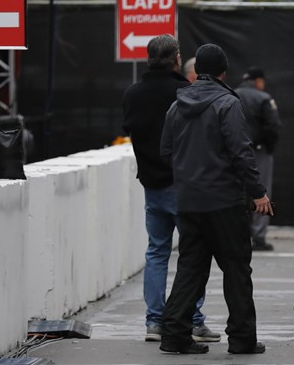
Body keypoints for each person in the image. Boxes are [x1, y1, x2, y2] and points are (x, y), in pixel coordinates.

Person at [159, 44, 274, 356]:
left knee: (190, 269)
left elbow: (166, 152)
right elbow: (241, 152)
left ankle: (173, 335)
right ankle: (242, 339)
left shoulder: (176, 106)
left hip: (188, 201)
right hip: (224, 201)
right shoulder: (227, 103)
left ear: (197, 73)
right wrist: (257, 192)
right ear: (224, 72)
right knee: (236, 269)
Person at [120, 34, 219, 344]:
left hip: (151, 185)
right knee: (194, 254)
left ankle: (154, 321)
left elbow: (129, 130)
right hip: (184, 185)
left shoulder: (133, 93)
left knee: (156, 253)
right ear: (177, 58)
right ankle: (193, 319)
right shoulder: (185, 92)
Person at [236, 66, 282, 251]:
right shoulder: (263, 98)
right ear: (259, 81)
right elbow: (273, 126)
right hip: (259, 150)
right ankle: (259, 237)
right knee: (261, 191)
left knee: (237, 192)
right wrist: (268, 147)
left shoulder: (231, 94)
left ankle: (239, 234)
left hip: (235, 152)